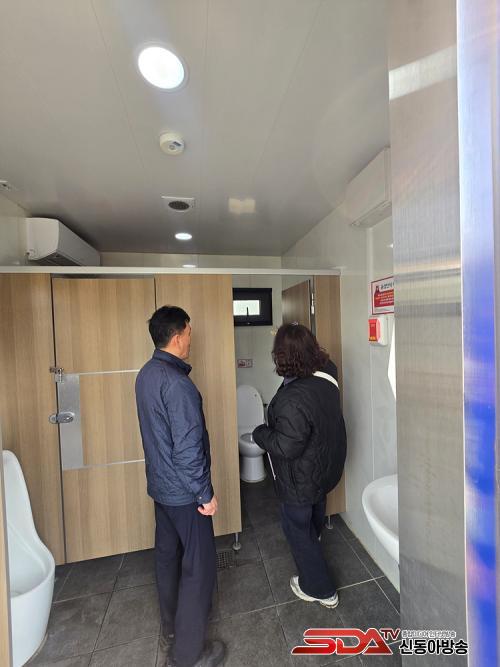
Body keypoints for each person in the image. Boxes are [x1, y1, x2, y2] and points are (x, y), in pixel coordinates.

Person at [135, 306, 225, 667]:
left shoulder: (146, 374)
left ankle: (172, 628)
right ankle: (188, 654)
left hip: (161, 488)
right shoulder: (178, 385)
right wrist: (205, 494)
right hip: (186, 494)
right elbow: (187, 449)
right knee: (199, 567)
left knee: (167, 557)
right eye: (188, 333)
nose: (191, 339)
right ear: (176, 337)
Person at [252, 323, 346, 608]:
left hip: (300, 478)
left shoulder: (292, 399)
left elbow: (286, 446)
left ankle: (320, 589)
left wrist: (259, 433)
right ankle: (313, 543)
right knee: (315, 510)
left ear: (281, 356)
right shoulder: (328, 372)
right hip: (324, 467)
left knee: (296, 529)